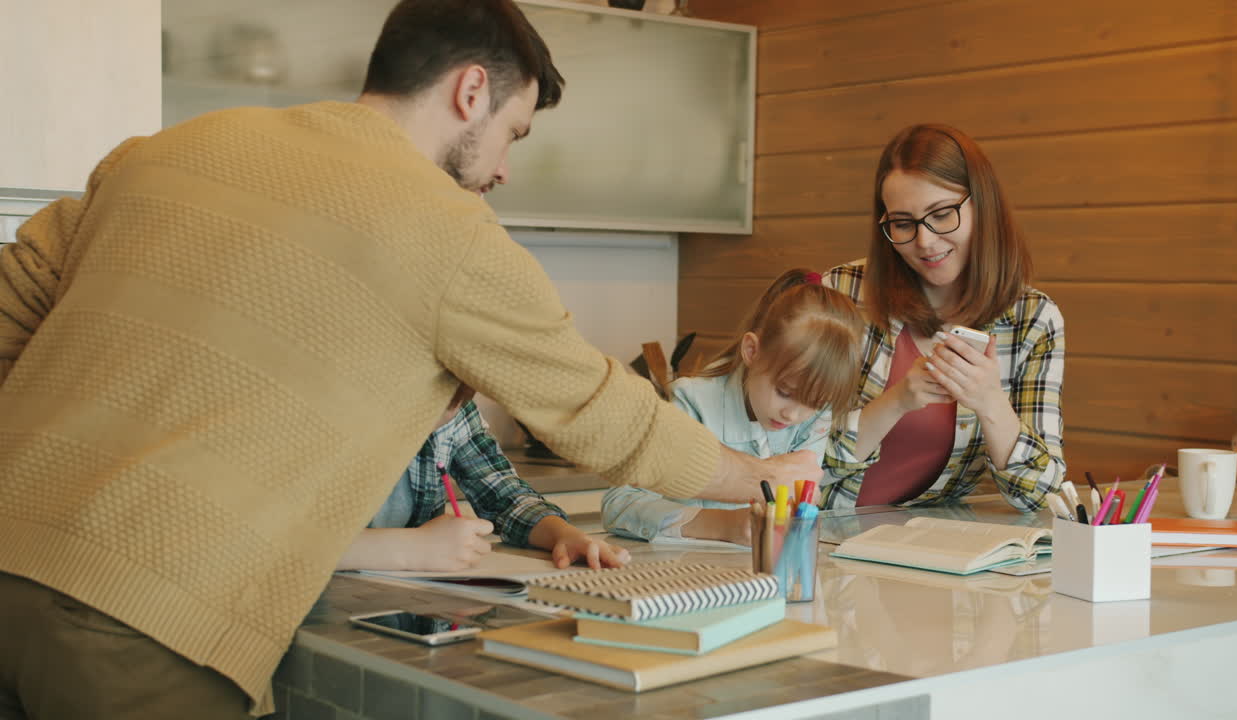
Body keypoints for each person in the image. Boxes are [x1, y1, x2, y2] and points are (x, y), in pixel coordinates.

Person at [0, 1, 819, 717]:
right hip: (142, 618)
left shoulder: (167, 148)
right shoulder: (448, 230)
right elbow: (601, 413)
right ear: (470, 91)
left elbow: (15, 301)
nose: (501, 168)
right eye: (512, 133)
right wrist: (761, 478)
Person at [821, 124, 1065, 512]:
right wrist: (896, 402)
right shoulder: (842, 293)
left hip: (920, 548)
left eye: (942, 214)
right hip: (813, 528)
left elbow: (1039, 496)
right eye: (903, 223)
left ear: (983, 205)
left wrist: (990, 403)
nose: (925, 241)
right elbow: (791, 453)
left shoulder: (1032, 320)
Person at [603, 269, 863, 545]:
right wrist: (720, 525)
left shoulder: (814, 418)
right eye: (784, 392)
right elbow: (619, 504)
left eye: (814, 402)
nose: (794, 414)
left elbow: (801, 502)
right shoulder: (694, 403)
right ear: (751, 351)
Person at [339, 385, 630, 571]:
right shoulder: (325, 407)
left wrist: (564, 535)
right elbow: (294, 544)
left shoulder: (454, 408)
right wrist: (411, 548)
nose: (449, 413)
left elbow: (505, 497)